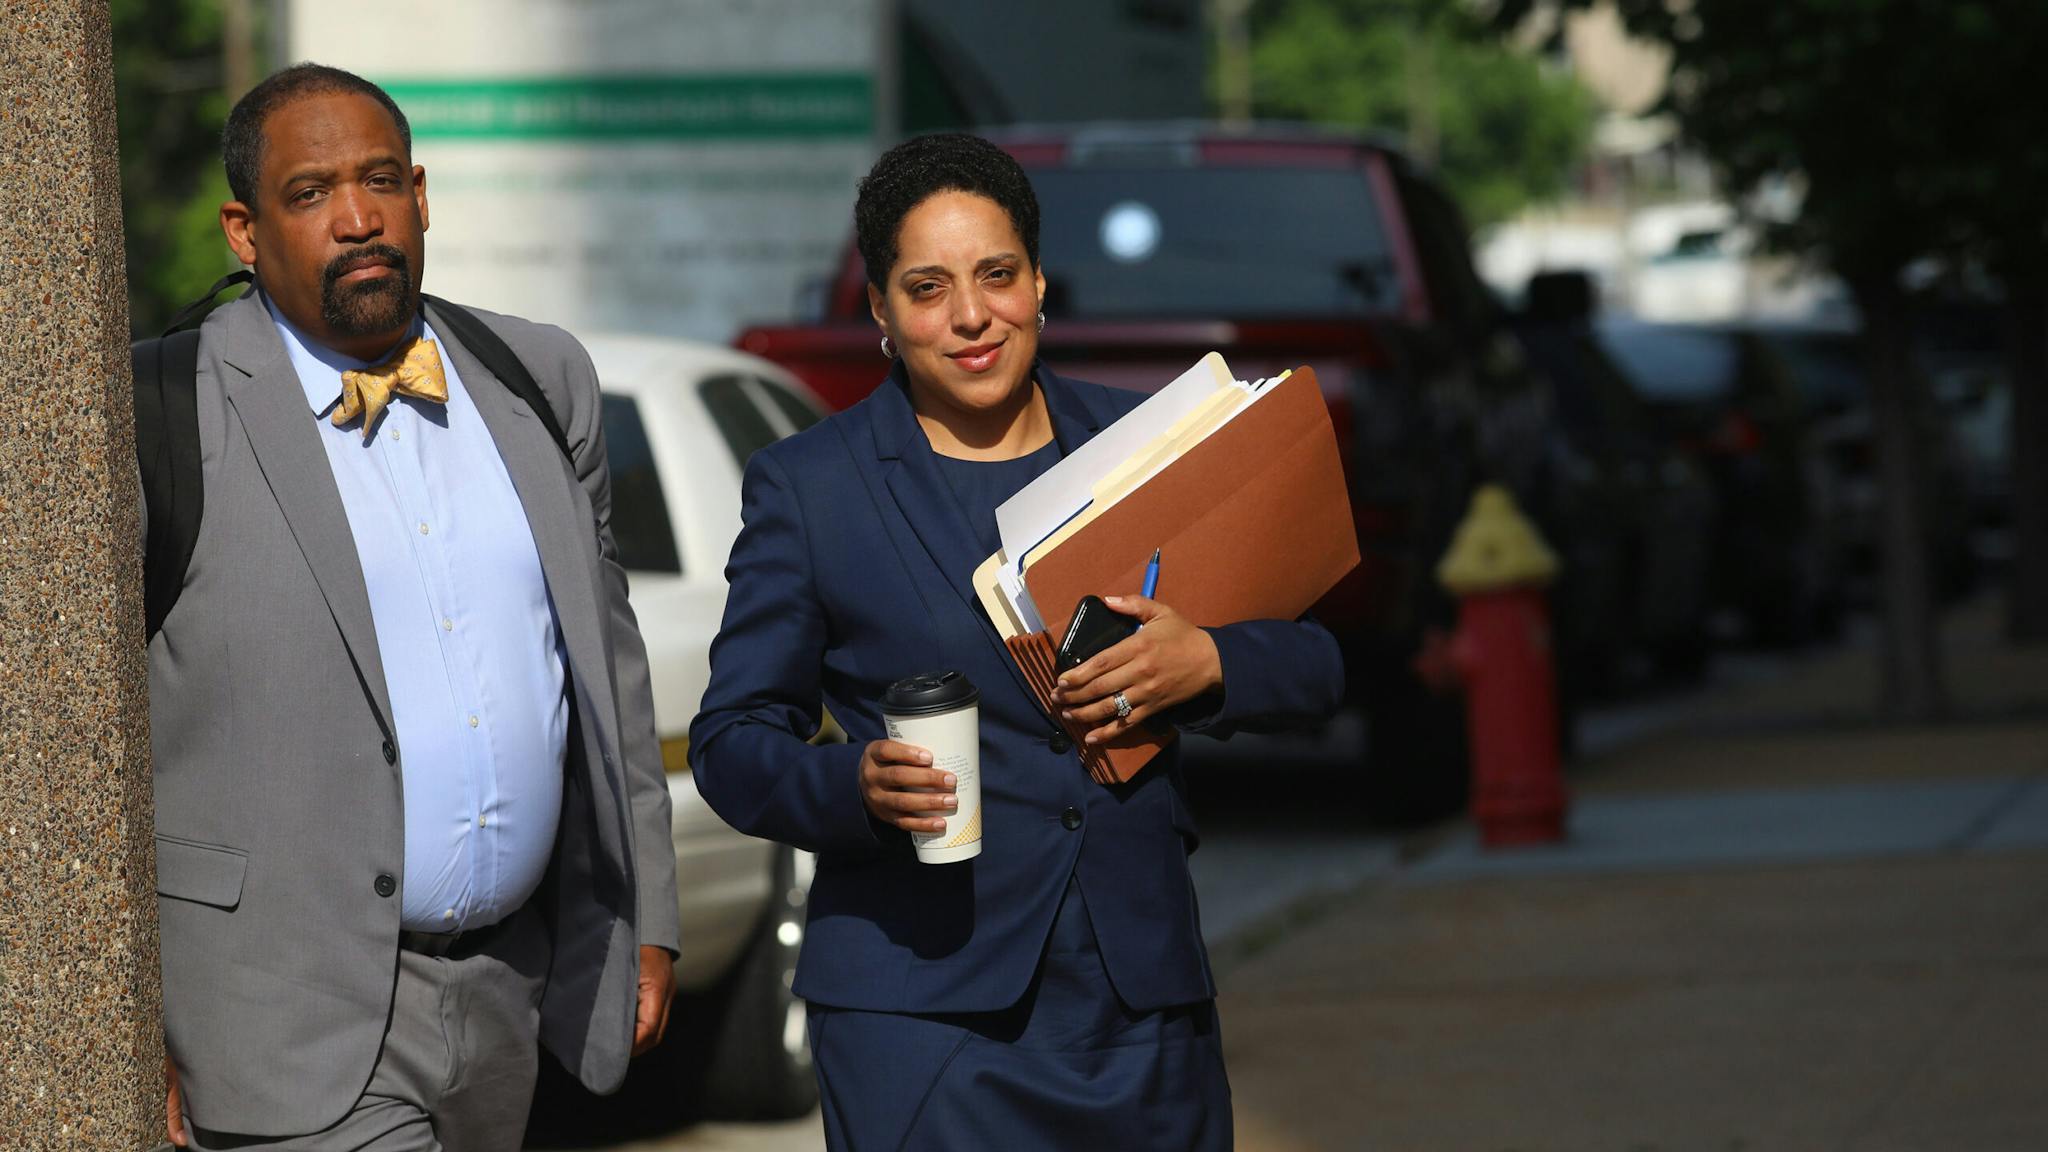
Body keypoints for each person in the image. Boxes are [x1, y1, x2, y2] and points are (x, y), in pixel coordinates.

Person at [689, 133, 1346, 1150]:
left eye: (995, 276)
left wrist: (1207, 664)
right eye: (926, 287)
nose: (968, 316)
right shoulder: (810, 487)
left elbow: (1315, 664)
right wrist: (852, 787)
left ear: (1038, 283)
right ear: (877, 309)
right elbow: (733, 740)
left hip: (1136, 1004)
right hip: (920, 1014)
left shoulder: (1147, 447)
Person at [146, 64, 678, 1151]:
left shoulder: (539, 377)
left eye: (380, 181)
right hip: (278, 1019)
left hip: (509, 1000)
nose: (357, 219)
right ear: (244, 233)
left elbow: (605, 665)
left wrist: (645, 916)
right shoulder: (159, 408)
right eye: (310, 194)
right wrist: (114, 1017)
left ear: (421, 195)